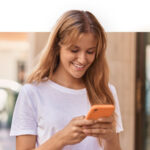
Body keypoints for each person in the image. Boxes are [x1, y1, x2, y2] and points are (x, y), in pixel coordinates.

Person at [10, 10, 123, 150]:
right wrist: (61, 139)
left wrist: (110, 137)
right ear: (58, 47)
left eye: (90, 52)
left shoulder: (106, 91)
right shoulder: (32, 92)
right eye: (74, 50)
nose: (82, 59)